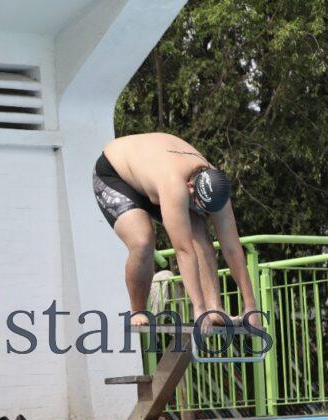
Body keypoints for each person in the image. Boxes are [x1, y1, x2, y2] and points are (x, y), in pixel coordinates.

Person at [92, 132, 260, 331]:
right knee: (143, 240)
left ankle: (215, 309)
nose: (201, 212)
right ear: (190, 187)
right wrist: (197, 309)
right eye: (199, 206)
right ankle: (137, 311)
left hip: (153, 175)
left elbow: (232, 248)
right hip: (116, 175)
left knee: (201, 235)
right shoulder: (175, 185)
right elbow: (183, 250)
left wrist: (251, 307)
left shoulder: (218, 189)